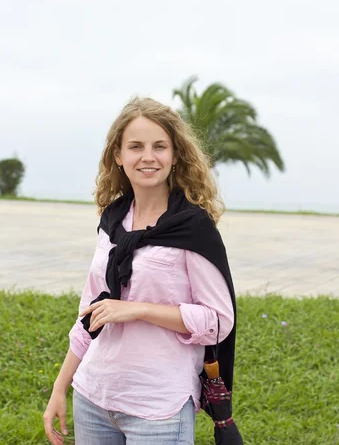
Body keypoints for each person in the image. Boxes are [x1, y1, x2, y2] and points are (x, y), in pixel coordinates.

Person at [43, 96, 237, 445]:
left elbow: (219, 321)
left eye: (159, 146)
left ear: (175, 155)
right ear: (118, 155)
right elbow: (91, 311)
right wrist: (60, 387)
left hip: (158, 406)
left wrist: (139, 310)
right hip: (93, 396)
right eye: (135, 146)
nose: (148, 156)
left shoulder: (193, 229)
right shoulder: (112, 220)